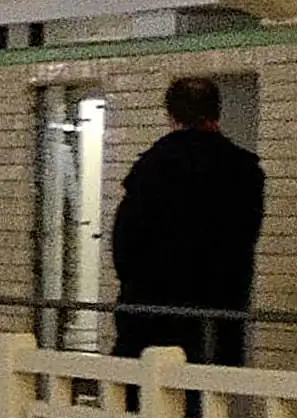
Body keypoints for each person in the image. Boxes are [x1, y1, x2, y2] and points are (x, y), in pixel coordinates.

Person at [110, 73, 263, 371]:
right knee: (207, 403)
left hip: (150, 311)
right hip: (218, 317)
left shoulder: (151, 167)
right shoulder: (244, 170)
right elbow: (244, 241)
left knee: (146, 403)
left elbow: (125, 244)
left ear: (171, 115)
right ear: (217, 112)